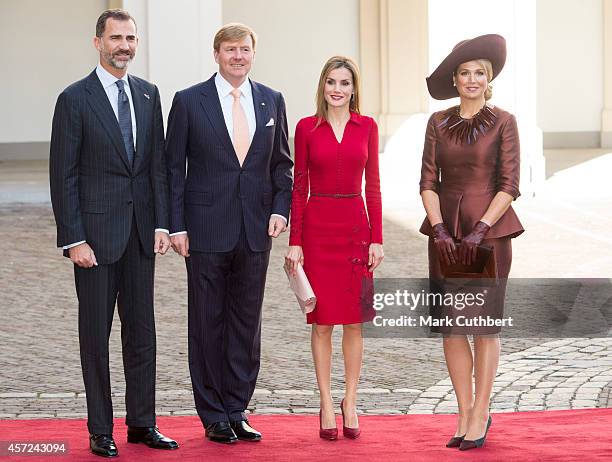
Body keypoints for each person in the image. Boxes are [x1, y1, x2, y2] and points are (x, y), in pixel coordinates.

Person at [49, 9, 178, 458]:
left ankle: (143, 423)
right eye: (116, 37)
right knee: (95, 337)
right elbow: (62, 176)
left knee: (143, 334)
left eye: (130, 37)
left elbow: (157, 166)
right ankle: (100, 428)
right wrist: (74, 239)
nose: (124, 45)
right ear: (97, 42)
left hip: (141, 236)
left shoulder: (148, 95)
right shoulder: (74, 99)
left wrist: (162, 223)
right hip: (96, 243)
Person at [165, 23, 293, 444]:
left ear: (253, 54)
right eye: (230, 50)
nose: (238, 56)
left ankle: (237, 407)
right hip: (203, 230)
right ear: (216, 54)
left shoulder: (271, 100)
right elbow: (173, 170)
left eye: (245, 49)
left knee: (245, 323)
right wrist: (177, 224)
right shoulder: (188, 101)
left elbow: (281, 165)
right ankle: (212, 412)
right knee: (207, 321)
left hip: (255, 229)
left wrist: (280, 210)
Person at [419, 34, 524, 451]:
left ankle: (482, 409)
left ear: (490, 77)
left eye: (480, 72)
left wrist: (481, 228)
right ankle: (462, 410)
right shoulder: (437, 122)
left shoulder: (504, 121)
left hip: (487, 234)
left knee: (481, 325)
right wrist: (440, 228)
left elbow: (509, 183)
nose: (472, 79)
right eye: (465, 72)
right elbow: (427, 182)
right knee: (451, 327)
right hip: (445, 234)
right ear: (455, 79)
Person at [285, 56, 384, 440]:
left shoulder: (368, 127)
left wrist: (377, 237)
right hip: (318, 228)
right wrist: (295, 242)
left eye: (344, 83)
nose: (337, 89)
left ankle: (351, 399)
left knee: (354, 322)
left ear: (354, 88)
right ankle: (326, 401)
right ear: (322, 86)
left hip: (356, 229)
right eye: (331, 82)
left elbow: (373, 185)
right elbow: (299, 186)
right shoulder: (307, 128)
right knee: (323, 322)